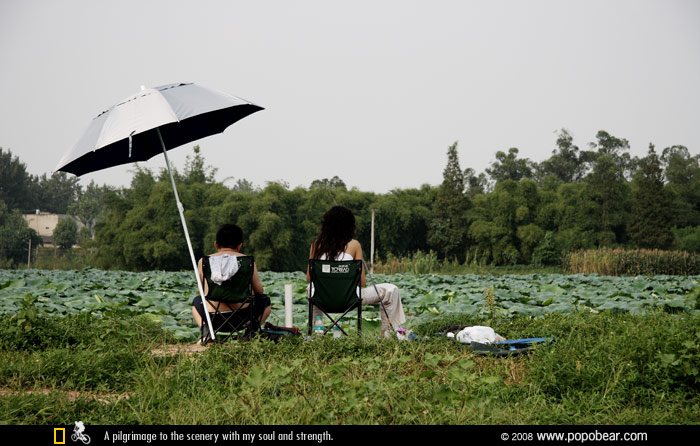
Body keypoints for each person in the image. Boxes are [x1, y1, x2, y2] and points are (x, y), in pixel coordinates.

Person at [307, 205, 407, 338]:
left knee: (311, 288)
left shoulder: (316, 245)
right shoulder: (354, 245)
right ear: (350, 225)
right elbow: (362, 282)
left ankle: (317, 329)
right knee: (391, 290)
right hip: (351, 299)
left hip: (322, 298)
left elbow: (310, 278)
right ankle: (388, 333)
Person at [192, 224, 271, 339]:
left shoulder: (204, 261)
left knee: (197, 301)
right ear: (239, 246)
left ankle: (206, 331)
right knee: (265, 301)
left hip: (213, 317)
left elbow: (203, 291)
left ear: (216, 244)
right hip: (242, 317)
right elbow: (259, 291)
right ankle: (250, 333)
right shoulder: (247, 261)